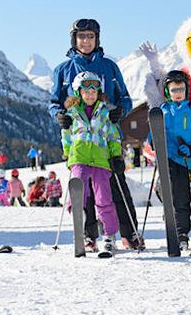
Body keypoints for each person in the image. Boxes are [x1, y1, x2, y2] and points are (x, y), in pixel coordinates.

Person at [48, 19, 141, 250]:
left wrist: (121, 111)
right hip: (80, 139)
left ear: (97, 39)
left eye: (90, 36)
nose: (86, 41)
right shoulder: (63, 70)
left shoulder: (109, 67)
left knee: (117, 185)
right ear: (74, 39)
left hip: (106, 135)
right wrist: (58, 115)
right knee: (84, 190)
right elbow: (53, 102)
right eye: (81, 37)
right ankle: (89, 236)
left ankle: (129, 234)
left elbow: (125, 97)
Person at [62, 71, 122, 254]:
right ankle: (79, 225)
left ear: (98, 92)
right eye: (85, 91)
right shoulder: (71, 114)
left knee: (104, 199)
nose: (90, 94)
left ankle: (109, 236)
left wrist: (116, 156)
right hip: (79, 158)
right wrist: (67, 154)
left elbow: (113, 137)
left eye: (93, 91)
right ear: (78, 93)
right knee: (78, 190)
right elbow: (66, 136)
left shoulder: (105, 113)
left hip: (101, 160)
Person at [152, 70, 191, 251]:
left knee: (182, 197)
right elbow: (152, 133)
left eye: (181, 90)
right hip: (166, 157)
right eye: (174, 90)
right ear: (168, 92)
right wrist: (154, 141)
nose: (177, 94)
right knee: (168, 190)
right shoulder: (162, 111)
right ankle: (171, 219)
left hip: (184, 160)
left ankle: (182, 233)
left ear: (186, 90)